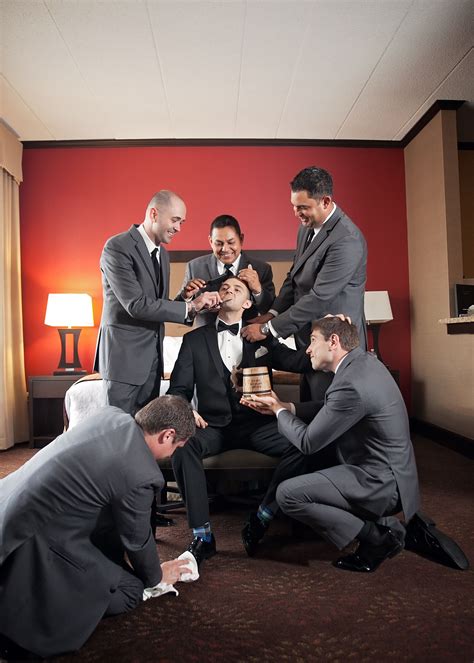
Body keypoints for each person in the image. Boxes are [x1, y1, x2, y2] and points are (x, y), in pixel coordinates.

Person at [0, 395, 195, 659]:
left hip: (8, 504)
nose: (174, 453)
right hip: (33, 540)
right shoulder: (141, 472)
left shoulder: (110, 415)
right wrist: (157, 578)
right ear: (167, 435)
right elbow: (137, 540)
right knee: (130, 590)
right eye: (178, 446)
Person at [243, 317, 420, 573]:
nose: (307, 349)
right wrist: (288, 407)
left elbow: (307, 442)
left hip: (380, 483)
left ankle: (376, 537)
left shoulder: (349, 383)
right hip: (398, 474)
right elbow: (333, 408)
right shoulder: (365, 363)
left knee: (288, 493)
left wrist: (278, 410)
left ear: (333, 341)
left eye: (313, 340)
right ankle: (379, 524)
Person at [167, 276, 313, 565]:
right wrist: (186, 410)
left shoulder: (263, 339)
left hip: (258, 426)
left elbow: (301, 362)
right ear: (217, 300)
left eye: (237, 288)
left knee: (305, 442)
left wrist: (339, 344)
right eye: (224, 288)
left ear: (248, 303)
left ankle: (263, 515)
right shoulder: (193, 340)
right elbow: (178, 390)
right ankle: (202, 535)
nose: (228, 290)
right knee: (183, 446)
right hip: (213, 427)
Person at [242, 167, 368, 402]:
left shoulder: (347, 240)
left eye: (302, 207)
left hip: (334, 348)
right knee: (310, 409)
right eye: (293, 205)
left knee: (328, 413)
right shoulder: (306, 228)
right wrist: (270, 313)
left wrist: (267, 330)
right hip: (309, 342)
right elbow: (294, 277)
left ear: (326, 201)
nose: (296, 213)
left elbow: (319, 297)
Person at [94, 190, 220, 414]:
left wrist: (185, 297)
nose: (179, 228)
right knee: (118, 431)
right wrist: (192, 307)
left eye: (182, 222)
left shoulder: (162, 254)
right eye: (175, 220)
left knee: (145, 433)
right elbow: (136, 305)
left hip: (153, 362)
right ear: (154, 214)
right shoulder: (117, 247)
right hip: (123, 362)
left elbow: (156, 306)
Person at [176, 214, 275, 327]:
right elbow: (179, 314)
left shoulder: (262, 269)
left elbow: (270, 312)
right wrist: (186, 296)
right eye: (219, 243)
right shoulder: (194, 267)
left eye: (231, 242)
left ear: (241, 239)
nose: (225, 249)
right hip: (204, 339)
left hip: (247, 338)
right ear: (210, 241)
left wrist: (258, 290)